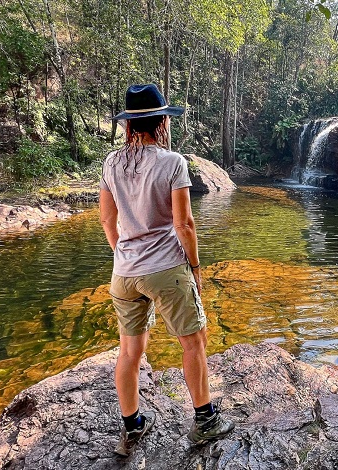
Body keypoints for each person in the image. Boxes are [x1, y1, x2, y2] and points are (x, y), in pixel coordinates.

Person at [99, 83, 234, 457]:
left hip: (123, 273)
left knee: (129, 352)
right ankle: (205, 422)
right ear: (161, 122)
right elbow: (185, 224)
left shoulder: (112, 162)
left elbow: (107, 221)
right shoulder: (173, 162)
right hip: (167, 269)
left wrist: (125, 255)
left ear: (129, 126)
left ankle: (132, 427)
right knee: (194, 342)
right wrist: (194, 266)